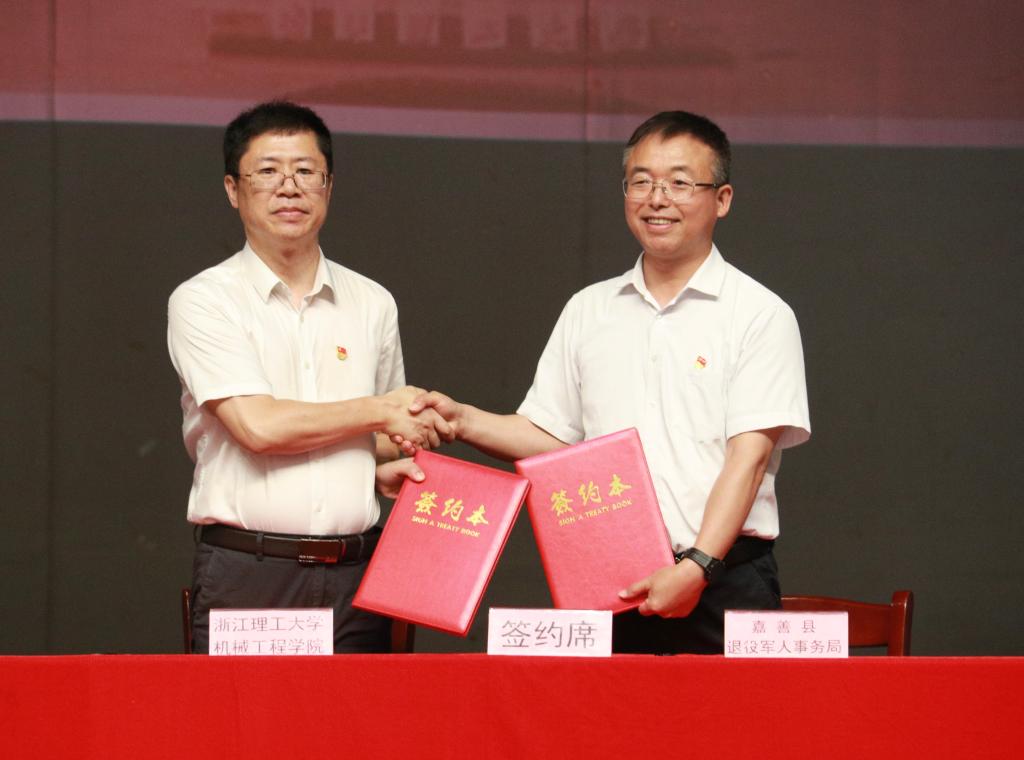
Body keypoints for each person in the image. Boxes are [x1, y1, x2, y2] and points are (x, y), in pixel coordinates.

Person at [408, 111, 810, 654]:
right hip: (610, 579)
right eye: (641, 182)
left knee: (730, 715)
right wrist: (462, 420)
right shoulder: (589, 309)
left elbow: (750, 459)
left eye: (679, 183)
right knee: (603, 714)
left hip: (723, 579)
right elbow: (552, 439)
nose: (657, 199)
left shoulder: (759, 314)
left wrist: (697, 567)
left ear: (722, 199)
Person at [167, 100, 450, 653]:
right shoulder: (204, 300)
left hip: (359, 575)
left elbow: (385, 438)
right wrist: (379, 412)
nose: (289, 188)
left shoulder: (372, 302)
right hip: (251, 572)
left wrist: (371, 467)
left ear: (328, 186)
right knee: (245, 715)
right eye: (268, 172)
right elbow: (258, 427)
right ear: (233, 189)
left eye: (305, 171)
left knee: (364, 714)